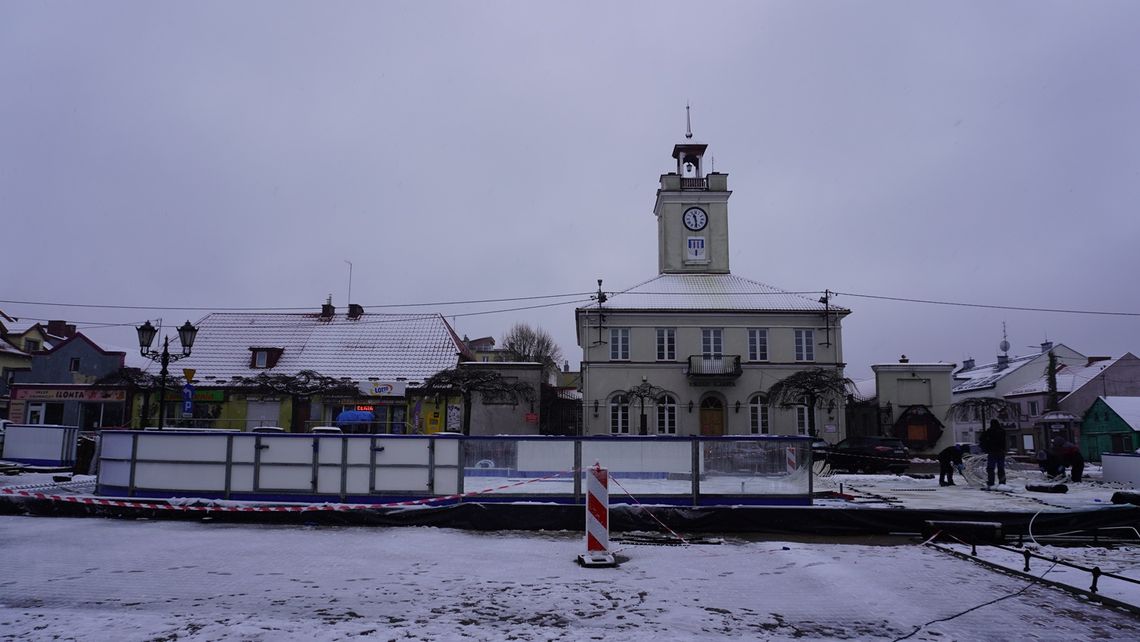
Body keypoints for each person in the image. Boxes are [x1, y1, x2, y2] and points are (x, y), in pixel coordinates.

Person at [980, 419, 1007, 487]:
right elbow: (1005, 442)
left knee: (990, 468)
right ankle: (1002, 482)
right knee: (1001, 468)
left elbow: (982, 439)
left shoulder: (989, 431)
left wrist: (986, 448)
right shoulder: (1002, 431)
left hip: (992, 452)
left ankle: (991, 482)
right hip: (1001, 452)